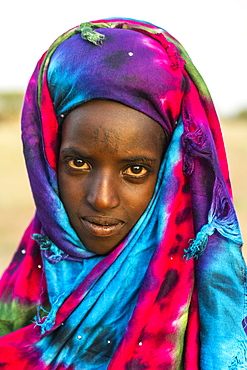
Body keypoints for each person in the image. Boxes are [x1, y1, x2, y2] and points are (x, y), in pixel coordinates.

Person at [0, 17, 246, 369]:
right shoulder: (22, 293)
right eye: (79, 164)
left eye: (135, 170)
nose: (101, 198)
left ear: (172, 174)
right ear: (48, 163)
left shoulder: (211, 319)